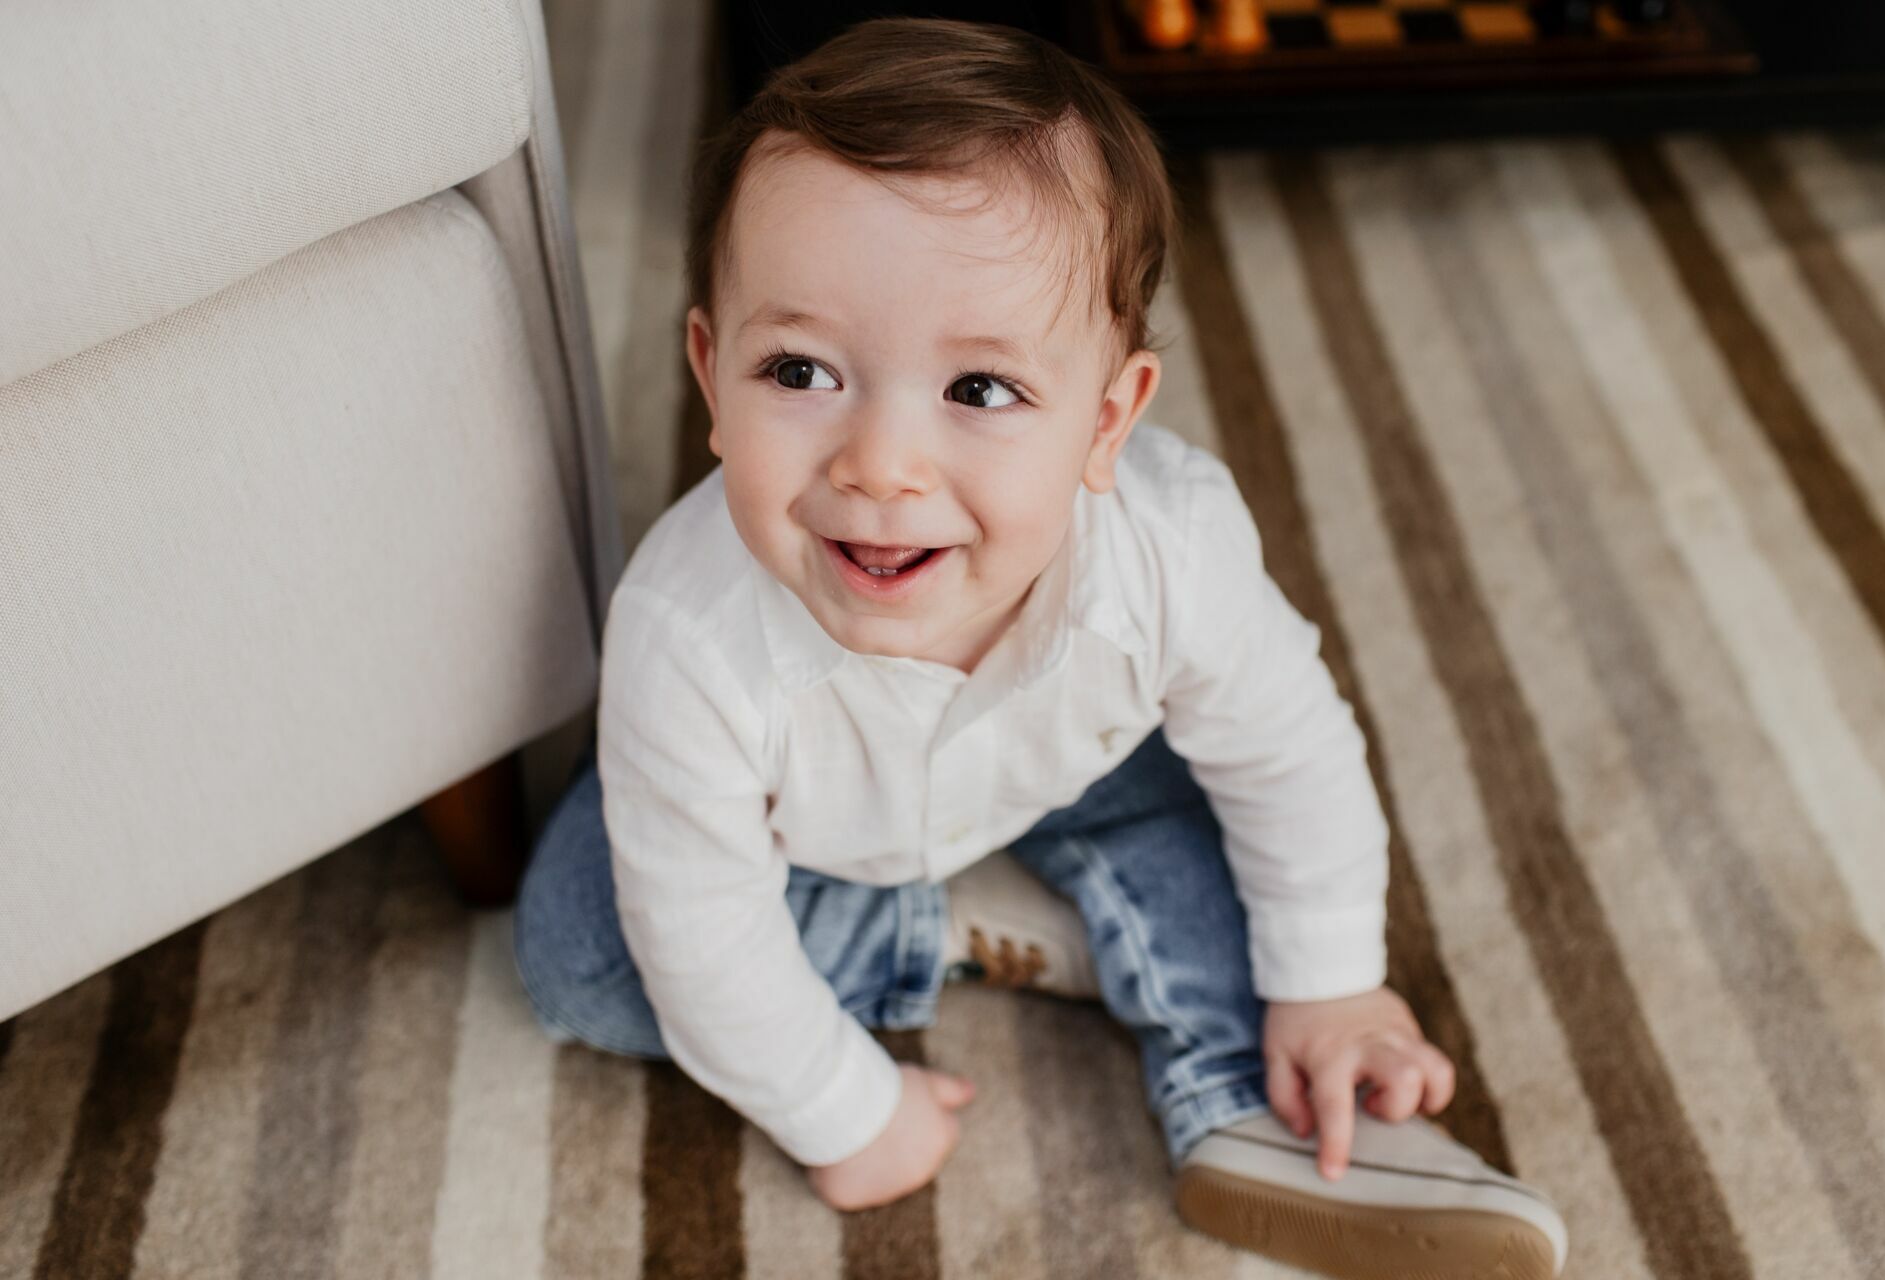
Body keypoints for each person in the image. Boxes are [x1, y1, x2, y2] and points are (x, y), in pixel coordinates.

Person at [512, 16, 1567, 1278]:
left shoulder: (1166, 550)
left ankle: (1244, 1090)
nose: (880, 467)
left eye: (980, 390)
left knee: (1220, 823)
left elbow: (1289, 751)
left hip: (1078, 760)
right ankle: (955, 924)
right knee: (581, 951)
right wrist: (842, 1106)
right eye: (798, 369)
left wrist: (1334, 980)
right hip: (804, 829)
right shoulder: (686, 632)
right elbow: (696, 924)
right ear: (709, 376)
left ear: (1108, 421)